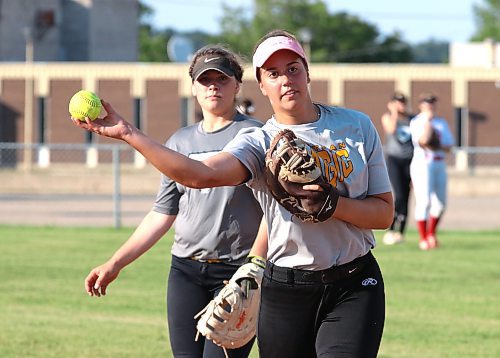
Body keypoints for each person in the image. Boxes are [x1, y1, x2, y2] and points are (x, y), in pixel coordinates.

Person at [73, 30, 394, 358]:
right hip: (285, 288)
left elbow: (383, 214)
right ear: (261, 83)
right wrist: (128, 133)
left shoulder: (356, 126)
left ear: (307, 72)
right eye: (273, 73)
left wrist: (333, 205)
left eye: (293, 68)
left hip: (354, 283)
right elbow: (200, 175)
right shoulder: (258, 143)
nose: (285, 79)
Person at [83, 45, 264, 358]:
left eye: (221, 79)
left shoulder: (256, 135)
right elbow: (162, 214)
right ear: (193, 87)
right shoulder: (179, 142)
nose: (212, 86)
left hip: (237, 272)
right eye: (204, 80)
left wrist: (254, 269)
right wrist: (116, 263)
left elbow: (275, 212)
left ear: (237, 84)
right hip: (186, 271)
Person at [409, 93, 454, 250]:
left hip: (439, 163)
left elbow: (449, 146)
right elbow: (423, 141)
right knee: (424, 201)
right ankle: (423, 239)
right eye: (427, 103)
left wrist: (437, 145)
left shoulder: (441, 123)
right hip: (423, 163)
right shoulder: (417, 122)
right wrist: (428, 123)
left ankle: (431, 234)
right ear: (421, 105)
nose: (430, 106)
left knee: (441, 203)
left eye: (432, 103)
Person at [380, 92, 414, 245]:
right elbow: (391, 130)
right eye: (398, 102)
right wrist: (394, 112)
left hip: (410, 160)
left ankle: (401, 232)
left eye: (403, 102)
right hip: (395, 160)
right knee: (398, 195)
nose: (401, 105)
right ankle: (391, 228)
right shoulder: (388, 117)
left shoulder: (412, 119)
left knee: (407, 196)